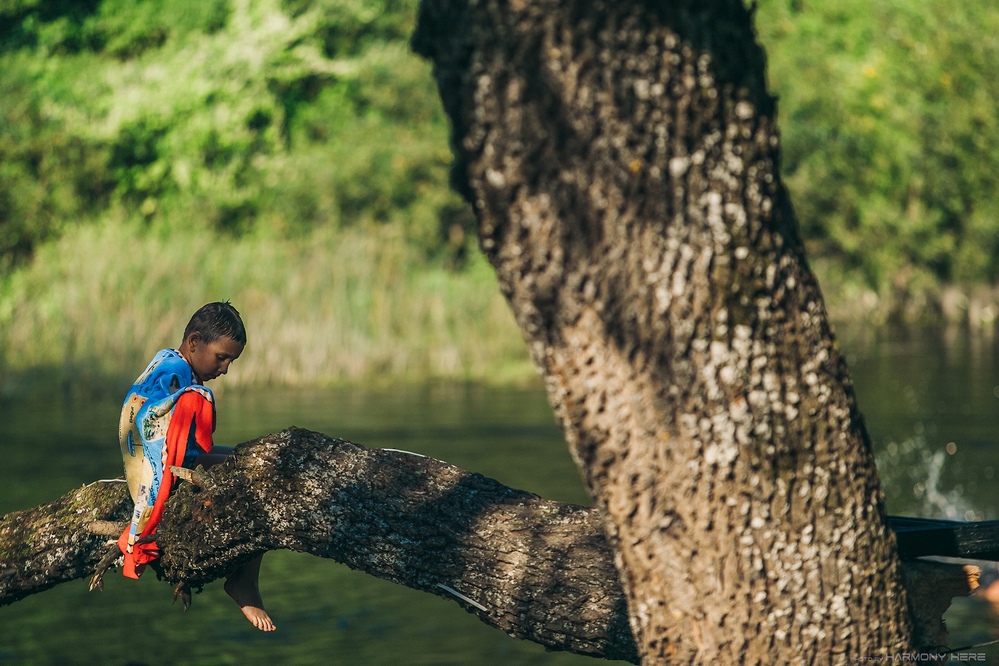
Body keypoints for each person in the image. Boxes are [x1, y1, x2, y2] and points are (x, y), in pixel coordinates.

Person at [117, 301, 275, 632]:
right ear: (193, 342)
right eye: (221, 357)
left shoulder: (167, 360)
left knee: (249, 458)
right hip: (169, 464)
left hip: (177, 456)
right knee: (255, 476)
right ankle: (244, 582)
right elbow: (148, 417)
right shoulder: (174, 372)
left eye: (231, 360)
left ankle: (244, 577)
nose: (226, 368)